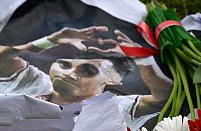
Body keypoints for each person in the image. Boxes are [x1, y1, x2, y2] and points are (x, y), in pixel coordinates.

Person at [0, 26, 172, 118]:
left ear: (112, 80)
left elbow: (163, 98)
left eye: (88, 71)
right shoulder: (36, 81)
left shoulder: (115, 108)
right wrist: (48, 41)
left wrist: (143, 59)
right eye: (65, 65)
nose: (70, 73)